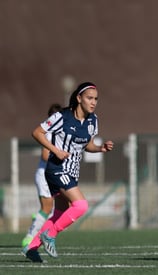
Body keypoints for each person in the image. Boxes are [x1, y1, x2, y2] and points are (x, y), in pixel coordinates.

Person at [22, 82, 114, 263]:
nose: (93, 102)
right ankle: (50, 234)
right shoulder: (62, 116)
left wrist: (100, 148)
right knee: (81, 206)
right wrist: (55, 150)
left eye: (96, 99)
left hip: (72, 171)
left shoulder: (93, 121)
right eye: (89, 98)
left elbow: (87, 145)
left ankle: (32, 247)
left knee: (60, 212)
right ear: (79, 98)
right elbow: (37, 133)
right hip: (56, 169)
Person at [21, 103, 63, 248]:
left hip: (53, 174)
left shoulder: (62, 132)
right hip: (45, 174)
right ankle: (30, 238)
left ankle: (41, 224)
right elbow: (45, 155)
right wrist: (60, 154)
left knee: (57, 207)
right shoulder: (49, 132)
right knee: (47, 208)